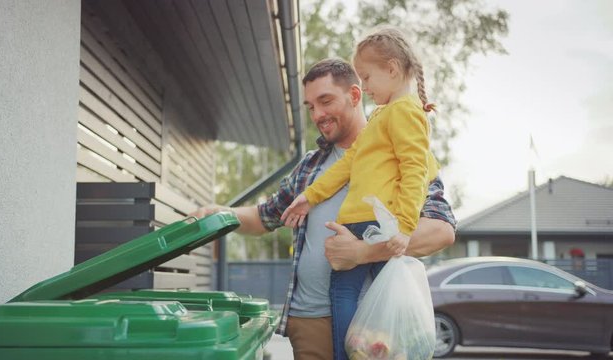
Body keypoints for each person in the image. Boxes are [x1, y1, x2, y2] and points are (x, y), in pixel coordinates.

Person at [192, 58, 456, 360]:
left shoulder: (406, 151)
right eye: (310, 107)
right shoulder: (310, 166)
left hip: (373, 320)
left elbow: (441, 231)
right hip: (308, 321)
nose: (318, 114)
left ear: (355, 95)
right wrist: (219, 212)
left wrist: (363, 253)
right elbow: (264, 217)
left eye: (325, 101)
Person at [281, 27, 452, 359]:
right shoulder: (382, 115)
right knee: (373, 292)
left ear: (391, 68)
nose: (365, 86)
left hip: (374, 223)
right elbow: (348, 164)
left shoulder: (405, 112)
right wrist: (310, 196)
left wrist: (403, 227)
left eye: (368, 77)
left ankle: (357, 351)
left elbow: (414, 171)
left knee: (348, 292)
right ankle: (375, 348)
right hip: (361, 221)